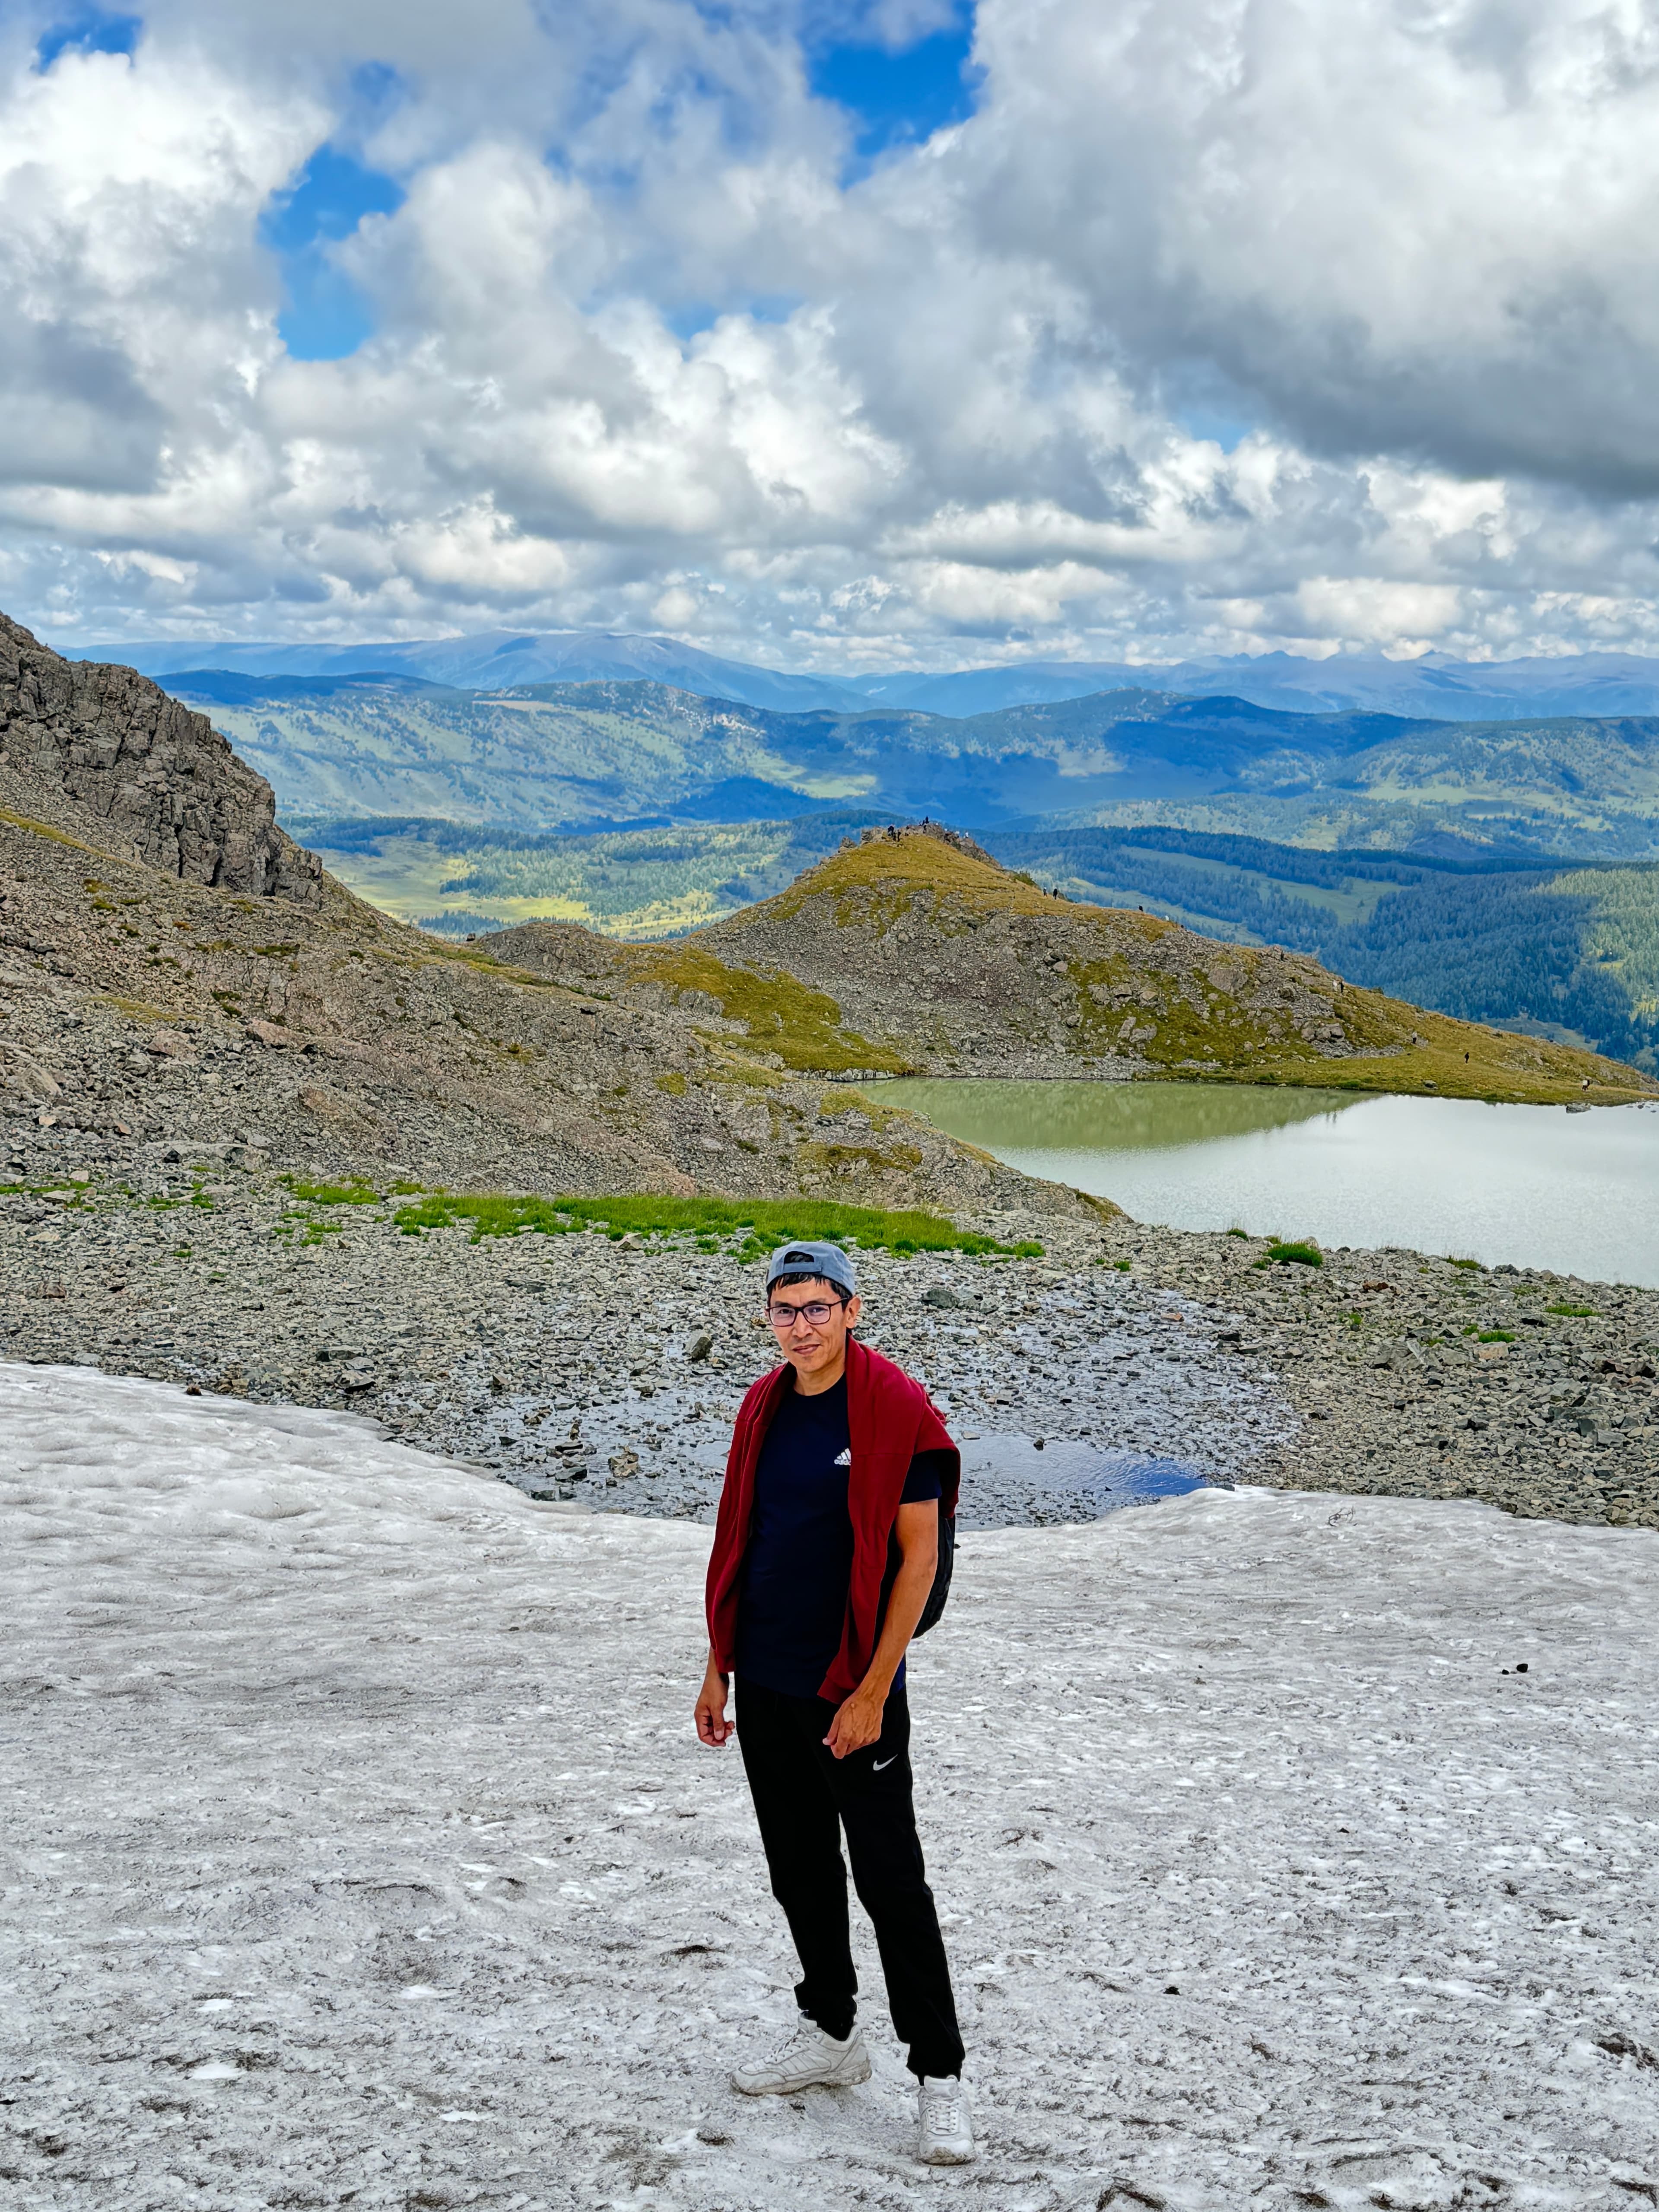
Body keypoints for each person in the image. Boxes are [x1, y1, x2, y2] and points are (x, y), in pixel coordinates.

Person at [695, 1239, 975, 2166]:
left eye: (819, 1308)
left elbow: (920, 1559)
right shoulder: (764, 1405)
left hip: (852, 1687)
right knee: (800, 1868)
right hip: (767, 1678)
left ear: (853, 1309)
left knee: (892, 1880)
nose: (802, 1326)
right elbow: (748, 1537)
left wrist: (871, 1689)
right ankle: (830, 2031)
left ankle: (940, 2075)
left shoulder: (893, 1408)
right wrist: (717, 1664)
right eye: (786, 1310)